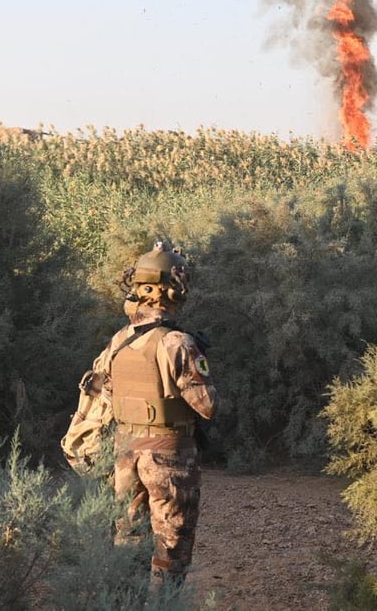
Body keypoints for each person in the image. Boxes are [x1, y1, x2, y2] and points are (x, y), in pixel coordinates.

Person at [92, 241, 218, 587]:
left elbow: (104, 394)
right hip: (169, 457)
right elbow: (207, 405)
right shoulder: (177, 342)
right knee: (171, 548)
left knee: (128, 542)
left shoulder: (119, 340)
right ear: (173, 290)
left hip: (124, 455)